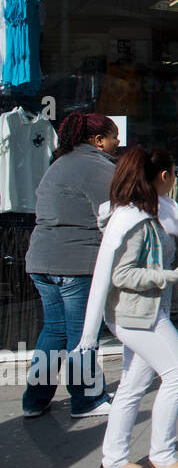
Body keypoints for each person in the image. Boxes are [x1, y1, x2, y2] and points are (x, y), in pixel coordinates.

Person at [76, 148, 178, 468]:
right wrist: (172, 276)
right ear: (163, 177)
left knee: (133, 385)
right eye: (174, 174)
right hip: (139, 315)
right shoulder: (137, 220)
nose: (175, 180)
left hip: (137, 313)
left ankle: (114, 459)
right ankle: (162, 456)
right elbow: (123, 275)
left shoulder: (140, 213)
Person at [22, 112, 120, 420]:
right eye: (113, 136)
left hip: (41, 260)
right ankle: (86, 399)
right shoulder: (96, 166)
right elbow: (110, 216)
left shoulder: (59, 163)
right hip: (74, 262)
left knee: (54, 330)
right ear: (98, 140)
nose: (118, 142)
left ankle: (34, 400)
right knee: (82, 334)